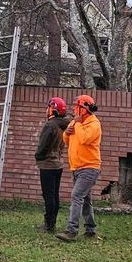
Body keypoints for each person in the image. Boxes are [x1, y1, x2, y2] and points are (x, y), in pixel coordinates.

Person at [57, 94, 102, 241]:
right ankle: (90, 230)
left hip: (89, 167)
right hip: (77, 167)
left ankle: (71, 230)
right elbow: (67, 140)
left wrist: (76, 124)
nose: (75, 110)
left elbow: (84, 139)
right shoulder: (76, 123)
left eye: (78, 107)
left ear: (85, 109)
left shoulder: (94, 124)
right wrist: (67, 133)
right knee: (85, 199)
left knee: (76, 196)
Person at [34, 97, 71, 233]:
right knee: (54, 195)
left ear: (53, 110)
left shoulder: (50, 126)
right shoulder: (64, 125)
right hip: (58, 164)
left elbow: (43, 145)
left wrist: (38, 156)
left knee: (48, 195)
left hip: (47, 165)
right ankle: (52, 223)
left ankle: (49, 225)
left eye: (49, 107)